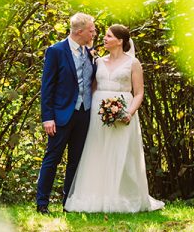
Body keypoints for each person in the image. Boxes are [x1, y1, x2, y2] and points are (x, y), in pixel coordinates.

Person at [63, 24, 164, 212]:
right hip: (98, 112)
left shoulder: (133, 63)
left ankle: (122, 196)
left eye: (109, 36)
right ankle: (94, 196)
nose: (104, 38)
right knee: (96, 151)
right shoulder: (98, 62)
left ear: (120, 41)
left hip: (124, 110)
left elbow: (139, 92)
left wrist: (129, 112)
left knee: (122, 154)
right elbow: (91, 88)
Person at [35, 12, 97, 214]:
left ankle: (68, 203)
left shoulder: (89, 52)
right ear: (79, 31)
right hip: (61, 115)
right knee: (52, 159)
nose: (94, 33)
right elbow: (47, 87)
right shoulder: (56, 51)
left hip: (84, 113)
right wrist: (48, 117)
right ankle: (42, 204)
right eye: (91, 29)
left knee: (75, 161)